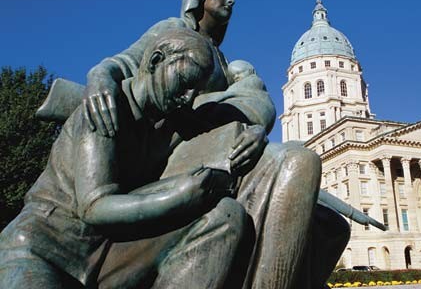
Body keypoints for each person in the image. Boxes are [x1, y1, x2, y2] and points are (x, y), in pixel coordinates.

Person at [81, 0, 350, 289]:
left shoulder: (226, 63)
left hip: (228, 150)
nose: (231, 0)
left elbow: (257, 100)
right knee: (298, 160)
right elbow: (120, 64)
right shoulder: (173, 32)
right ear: (197, 0)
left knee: (331, 226)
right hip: (178, 155)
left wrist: (257, 130)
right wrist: (99, 79)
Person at [0, 28, 250, 289]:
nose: (187, 98)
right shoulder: (105, 105)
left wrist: (250, 134)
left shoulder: (173, 118)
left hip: (104, 252)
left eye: (195, 91)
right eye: (185, 82)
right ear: (156, 61)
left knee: (225, 214)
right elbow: (93, 207)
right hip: (42, 248)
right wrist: (178, 196)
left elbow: (216, 127)